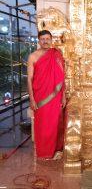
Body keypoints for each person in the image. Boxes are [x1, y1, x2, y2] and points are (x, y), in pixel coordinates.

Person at [27, 30, 66, 159]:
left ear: (51, 40)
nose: (45, 41)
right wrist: (31, 99)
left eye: (47, 38)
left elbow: (61, 77)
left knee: (55, 124)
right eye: (42, 39)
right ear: (39, 40)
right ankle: (44, 153)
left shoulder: (56, 54)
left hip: (56, 97)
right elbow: (29, 79)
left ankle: (56, 150)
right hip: (40, 96)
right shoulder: (33, 56)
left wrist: (64, 96)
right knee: (43, 125)